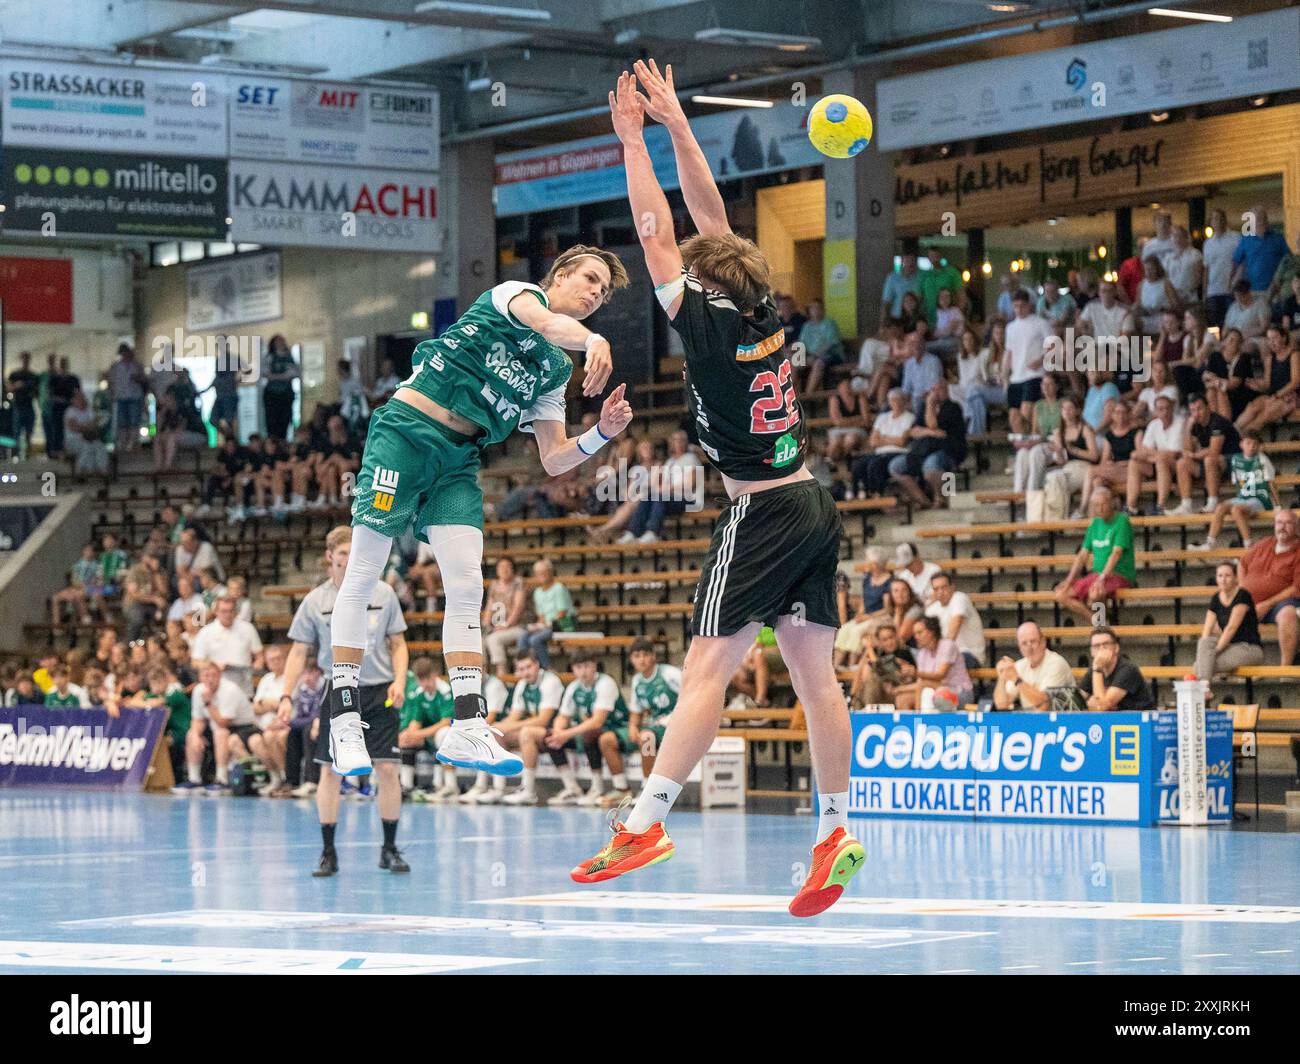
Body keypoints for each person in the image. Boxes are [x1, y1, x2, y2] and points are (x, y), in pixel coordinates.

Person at [580, 61, 865, 916]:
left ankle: (646, 822)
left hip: (765, 509)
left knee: (708, 665)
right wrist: (676, 123)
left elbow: (657, 227)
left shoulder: (703, 324)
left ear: (700, 282)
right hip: (813, 502)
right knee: (817, 680)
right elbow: (711, 220)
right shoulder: (760, 307)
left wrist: (634, 139)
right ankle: (836, 832)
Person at [320, 239, 631, 785]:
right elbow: (549, 323)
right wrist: (595, 339)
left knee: (467, 584)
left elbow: (555, 460)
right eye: (588, 280)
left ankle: (467, 723)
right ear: (559, 275)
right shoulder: (517, 295)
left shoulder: (554, 371)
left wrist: (600, 434)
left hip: (458, 460)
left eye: (602, 293)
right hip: (405, 434)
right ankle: (344, 717)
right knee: (364, 571)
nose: (594, 294)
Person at [275, 525, 411, 876]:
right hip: (339, 689)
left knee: (387, 769)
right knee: (330, 772)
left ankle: (390, 848)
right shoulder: (316, 601)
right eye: (343, 555)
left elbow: (398, 643)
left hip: (380, 690)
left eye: (355, 553)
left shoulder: (383, 593)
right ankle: (328, 852)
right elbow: (298, 652)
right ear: (330, 558)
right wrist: (285, 696)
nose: (350, 560)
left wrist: (400, 680)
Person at [547, 651, 636, 808]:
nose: (583, 671)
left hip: (618, 727)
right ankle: (572, 788)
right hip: (592, 730)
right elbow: (563, 717)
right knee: (549, 737)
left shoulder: (605, 683)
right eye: (578, 667)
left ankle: (598, 788)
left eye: (587, 666)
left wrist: (565, 734)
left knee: (591, 734)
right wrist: (558, 732)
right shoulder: (574, 687)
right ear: (573, 669)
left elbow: (597, 721)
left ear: (595, 666)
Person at [174, 661, 260, 795]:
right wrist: (196, 735)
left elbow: (223, 722)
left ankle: (222, 779)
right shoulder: (198, 690)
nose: (209, 679)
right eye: (205, 675)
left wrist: (208, 702)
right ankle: (194, 779)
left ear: (220, 675)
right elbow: (198, 719)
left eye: (213, 675)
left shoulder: (229, 690)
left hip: (243, 727)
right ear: (200, 677)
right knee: (192, 734)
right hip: (215, 724)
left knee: (221, 733)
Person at [494, 649, 567, 806]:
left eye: (528, 667)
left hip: (558, 730)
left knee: (526, 733)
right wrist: (499, 727)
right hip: (538, 731)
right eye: (521, 669)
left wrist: (509, 726)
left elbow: (543, 720)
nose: (525, 672)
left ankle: (528, 791)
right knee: (496, 732)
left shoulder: (550, 681)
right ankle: (498, 789)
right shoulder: (522, 685)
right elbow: (514, 715)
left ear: (537, 665)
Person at [1055, 485, 1136, 623]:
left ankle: (1101, 626)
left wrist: (1102, 578)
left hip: (1119, 575)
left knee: (1094, 596)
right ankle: (1098, 621)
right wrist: (1069, 580)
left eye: (1104, 504)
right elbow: (1082, 556)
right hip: (1097, 575)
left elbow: (1116, 553)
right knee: (1061, 595)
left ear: (1111, 503)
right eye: (1097, 505)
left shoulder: (1122, 521)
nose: (1100, 508)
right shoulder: (1094, 524)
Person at [889, 378, 966, 512]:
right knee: (895, 466)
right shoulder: (923, 407)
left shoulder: (953, 407)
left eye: (940, 389)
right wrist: (931, 432)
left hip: (948, 450)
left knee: (930, 465)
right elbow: (913, 431)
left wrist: (930, 404)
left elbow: (932, 424)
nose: (936, 393)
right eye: (933, 390)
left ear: (947, 391)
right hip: (923, 450)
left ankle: (941, 498)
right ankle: (922, 500)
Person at [1237, 509, 1300, 666]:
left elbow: (1296, 588)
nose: (1282, 527)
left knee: (1288, 614)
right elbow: (1242, 563)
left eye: (1288, 523)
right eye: (1279, 523)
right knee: (1219, 618)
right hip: (1250, 601)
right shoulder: (1265, 543)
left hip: (1281, 603)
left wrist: (1267, 604)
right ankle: (1235, 667)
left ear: (1297, 527)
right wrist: (1242, 589)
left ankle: (1285, 669)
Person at [1195, 431, 1277, 550]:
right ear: (1241, 444)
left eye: (1255, 444)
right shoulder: (1236, 459)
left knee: (1236, 509)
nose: (1252, 446)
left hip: (1259, 499)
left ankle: (1248, 543)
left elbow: (1271, 483)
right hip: (1243, 498)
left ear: (1259, 446)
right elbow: (1237, 482)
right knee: (1220, 507)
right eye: (1248, 443)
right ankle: (1210, 543)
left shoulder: (1262, 460)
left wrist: (1277, 504)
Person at [397, 657, 458, 801]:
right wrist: (409, 734)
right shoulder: (419, 693)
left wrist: (418, 734)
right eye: (421, 680)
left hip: (444, 735)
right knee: (406, 739)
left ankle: (449, 786)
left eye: (428, 679)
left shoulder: (446, 691)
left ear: (435, 674)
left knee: (443, 735)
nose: (425, 684)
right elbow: (416, 720)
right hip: (427, 736)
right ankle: (407, 786)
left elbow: (446, 722)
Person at [626, 639, 682, 791]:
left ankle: (647, 788)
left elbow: (691, 696)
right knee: (613, 739)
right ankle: (622, 788)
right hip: (656, 725)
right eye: (637, 656)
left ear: (653, 656)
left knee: (646, 738)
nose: (641, 659)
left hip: (678, 723)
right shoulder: (637, 680)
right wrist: (632, 726)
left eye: (645, 655)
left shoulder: (669, 673)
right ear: (631, 659)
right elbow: (636, 711)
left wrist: (670, 718)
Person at [1172, 392, 1241, 516]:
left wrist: (1194, 455)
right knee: (1182, 463)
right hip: (1214, 466)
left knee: (1210, 459)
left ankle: (1212, 502)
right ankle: (1186, 505)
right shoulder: (1195, 424)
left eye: (1199, 408)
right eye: (1193, 410)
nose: (1197, 413)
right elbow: (1188, 449)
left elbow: (1214, 450)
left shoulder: (1218, 422)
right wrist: (1187, 428)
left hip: (1235, 462)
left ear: (1208, 407)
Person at [1195, 561, 1264, 683]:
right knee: (1204, 643)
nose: (1223, 580)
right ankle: (1205, 690)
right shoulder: (1216, 598)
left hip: (1248, 648)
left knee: (1199, 667)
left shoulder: (1243, 596)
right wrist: (1207, 651)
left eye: (1227, 576)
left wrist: (1214, 653)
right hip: (1229, 647)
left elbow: (1231, 628)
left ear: (1236, 578)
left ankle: (1205, 689)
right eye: (1220, 576)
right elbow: (1207, 629)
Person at [992, 621, 1075, 711]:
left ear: (1043, 642)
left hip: (1060, 721)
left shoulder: (1056, 663)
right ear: (1019, 647)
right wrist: (1002, 677)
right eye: (1024, 643)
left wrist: (1017, 679)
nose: (1029, 648)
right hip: (1031, 720)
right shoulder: (1020, 665)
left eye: (1033, 641)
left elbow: (1042, 702)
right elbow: (1002, 705)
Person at [190, 596, 263, 698]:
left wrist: (256, 666)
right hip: (217, 688)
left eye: (231, 611)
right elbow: (195, 662)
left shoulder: (247, 628)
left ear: (236, 612)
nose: (228, 615)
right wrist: (214, 666)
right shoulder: (206, 632)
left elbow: (259, 656)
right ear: (216, 611)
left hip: (243, 686)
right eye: (224, 611)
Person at [849, 387, 913, 499]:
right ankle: (857, 496)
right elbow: (872, 442)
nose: (896, 403)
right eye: (893, 400)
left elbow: (902, 442)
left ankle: (877, 495)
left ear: (904, 401)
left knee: (875, 464)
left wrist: (883, 438)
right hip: (880, 453)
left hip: (898, 452)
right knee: (857, 465)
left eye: (899, 400)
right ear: (889, 402)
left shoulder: (910, 417)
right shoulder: (882, 418)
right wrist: (892, 439)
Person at [1125, 395, 1184, 515]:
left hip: (1178, 466)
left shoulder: (1180, 422)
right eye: (1161, 409)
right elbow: (1143, 450)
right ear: (1155, 411)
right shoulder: (1154, 424)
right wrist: (1154, 455)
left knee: (1161, 460)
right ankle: (1131, 507)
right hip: (1158, 464)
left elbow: (1173, 454)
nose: (1165, 412)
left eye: (1167, 408)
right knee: (1134, 462)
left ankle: (1160, 506)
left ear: (1172, 408)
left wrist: (1152, 455)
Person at [1042, 396, 1098, 521]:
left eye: (1070, 408)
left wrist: (1073, 450)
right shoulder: (1058, 432)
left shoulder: (1085, 429)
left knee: (1055, 482)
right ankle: (1057, 520)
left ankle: (1056, 520)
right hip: (1068, 467)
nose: (1066, 412)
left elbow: (1094, 456)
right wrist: (1058, 451)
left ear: (1077, 411)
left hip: (1084, 467)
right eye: (1064, 409)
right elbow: (1062, 461)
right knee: (1052, 479)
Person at [1235, 325, 1299, 435]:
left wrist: (1276, 396)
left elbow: (1295, 382)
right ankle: (1233, 431)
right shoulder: (1269, 359)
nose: (1272, 342)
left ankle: (1243, 438)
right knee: (1252, 407)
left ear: (1284, 338)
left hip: (1291, 396)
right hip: (1274, 395)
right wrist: (1258, 385)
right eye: (1269, 339)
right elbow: (1268, 384)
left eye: (1275, 338)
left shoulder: (1294, 355)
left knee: (1266, 412)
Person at [1003, 289, 1051, 434]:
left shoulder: (1040, 323)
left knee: (1027, 412)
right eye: (1016, 306)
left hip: (1033, 375)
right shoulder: (1010, 327)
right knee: (1013, 417)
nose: (1019, 309)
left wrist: (1041, 360)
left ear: (1029, 305)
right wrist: (1005, 375)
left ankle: (1030, 445)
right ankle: (1021, 450)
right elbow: (1009, 352)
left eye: (1022, 305)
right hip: (1016, 376)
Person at [1077, 626, 1154, 711]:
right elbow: (1076, 701)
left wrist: (1098, 669)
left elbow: (1102, 707)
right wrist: (1089, 704)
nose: (1101, 649)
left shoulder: (1128, 669)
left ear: (1116, 648)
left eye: (1106, 644)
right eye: (1096, 646)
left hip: (1138, 721)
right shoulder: (1094, 670)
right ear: (1091, 651)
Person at [515, 559, 574, 668]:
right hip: (547, 626)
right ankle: (523, 666)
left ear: (551, 572)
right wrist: (538, 625)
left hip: (563, 624)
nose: (542, 575)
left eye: (544, 572)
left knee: (535, 639)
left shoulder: (559, 588)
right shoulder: (537, 592)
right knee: (523, 637)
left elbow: (562, 612)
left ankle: (547, 668)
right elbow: (541, 616)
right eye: (538, 573)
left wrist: (546, 625)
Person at [907, 615, 974, 710]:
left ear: (932, 632)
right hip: (936, 689)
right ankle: (913, 721)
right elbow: (920, 682)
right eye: (915, 634)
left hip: (959, 692)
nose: (916, 637)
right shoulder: (922, 653)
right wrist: (898, 690)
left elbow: (940, 675)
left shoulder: (948, 645)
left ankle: (918, 718)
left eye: (920, 633)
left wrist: (915, 673)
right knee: (903, 698)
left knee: (926, 688)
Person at [924, 571, 985, 674]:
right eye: (936, 589)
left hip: (969, 654)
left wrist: (940, 654)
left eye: (944, 587)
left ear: (952, 587)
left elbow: (955, 626)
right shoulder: (931, 610)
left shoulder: (959, 598)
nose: (940, 592)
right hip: (944, 656)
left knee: (943, 666)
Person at [950, 327, 1005, 436]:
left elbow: (985, 375)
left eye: (970, 339)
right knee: (952, 389)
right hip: (967, 388)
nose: (968, 342)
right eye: (965, 340)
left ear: (975, 340)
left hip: (980, 386)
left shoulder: (984, 353)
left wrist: (984, 380)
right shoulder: (960, 356)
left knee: (975, 396)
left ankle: (973, 431)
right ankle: (970, 415)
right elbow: (963, 378)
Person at [849, 623, 917, 710]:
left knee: (873, 676)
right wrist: (868, 649)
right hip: (883, 691)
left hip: (898, 690)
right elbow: (863, 666)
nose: (889, 642)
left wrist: (869, 648)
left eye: (891, 637)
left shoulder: (903, 653)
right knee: (866, 667)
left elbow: (881, 669)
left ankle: (865, 709)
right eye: (885, 640)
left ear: (896, 636)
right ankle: (853, 701)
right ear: (880, 642)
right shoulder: (881, 653)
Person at [1230, 205, 1291, 298]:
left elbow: (1288, 261)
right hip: (1252, 291)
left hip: (1275, 290)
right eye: (1258, 219)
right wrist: (1232, 284)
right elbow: (1235, 262)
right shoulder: (1246, 240)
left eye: (1264, 218)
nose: (1262, 222)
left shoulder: (1278, 238)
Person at [482, 556, 528, 676]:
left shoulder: (518, 583)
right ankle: (483, 676)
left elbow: (518, 607)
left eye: (508, 566)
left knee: (493, 639)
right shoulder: (494, 585)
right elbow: (489, 607)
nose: (504, 569)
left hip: (517, 626)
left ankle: (502, 676)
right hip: (497, 627)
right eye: (501, 566)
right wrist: (485, 626)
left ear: (513, 569)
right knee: (480, 640)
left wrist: (506, 625)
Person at [1202, 208, 1240, 327]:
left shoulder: (1235, 238)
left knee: (1232, 322)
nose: (1216, 221)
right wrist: (1205, 291)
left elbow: (1239, 262)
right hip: (1213, 290)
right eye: (1213, 219)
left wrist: (1234, 282)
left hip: (1231, 289)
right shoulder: (1208, 243)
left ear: (1224, 220)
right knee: (1214, 324)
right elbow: (1206, 268)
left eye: (1219, 218)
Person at [108, 343, 148, 453]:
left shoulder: (137, 366)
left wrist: (138, 378)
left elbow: (144, 380)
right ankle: (123, 444)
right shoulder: (116, 367)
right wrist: (112, 394)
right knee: (122, 423)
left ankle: (133, 443)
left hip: (134, 397)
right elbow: (111, 382)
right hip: (121, 397)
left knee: (134, 422)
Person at [797, 299, 842, 394]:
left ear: (823, 310)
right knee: (794, 362)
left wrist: (814, 356)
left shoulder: (829, 323)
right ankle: (791, 397)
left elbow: (830, 344)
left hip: (831, 355)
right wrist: (801, 357)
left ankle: (807, 396)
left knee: (818, 363)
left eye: (818, 308)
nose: (815, 310)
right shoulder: (807, 326)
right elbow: (801, 344)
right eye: (813, 308)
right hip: (811, 356)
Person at [63, 389, 109, 475]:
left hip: (89, 438)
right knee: (86, 447)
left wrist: (86, 427)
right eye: (79, 398)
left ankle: (102, 469)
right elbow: (74, 427)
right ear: (73, 400)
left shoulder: (89, 411)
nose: (83, 399)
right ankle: (82, 469)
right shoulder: (70, 411)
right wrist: (87, 427)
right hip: (73, 440)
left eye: (83, 397)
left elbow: (94, 426)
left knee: (100, 446)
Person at [262, 334, 299, 441]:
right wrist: (282, 376)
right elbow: (264, 373)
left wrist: (276, 377)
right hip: (272, 394)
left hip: (285, 393)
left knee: (285, 420)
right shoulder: (269, 357)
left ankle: (283, 441)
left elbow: (294, 373)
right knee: (272, 421)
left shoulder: (289, 357)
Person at [1133, 256, 1180, 335]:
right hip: (1146, 317)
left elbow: (1176, 306)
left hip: (1162, 318)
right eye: (1146, 269)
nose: (1148, 272)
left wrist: (1161, 309)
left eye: (1151, 269)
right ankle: (1139, 346)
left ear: (1157, 269)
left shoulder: (1165, 284)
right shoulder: (1141, 285)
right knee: (1132, 323)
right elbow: (1137, 304)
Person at [6, 351, 39, 459]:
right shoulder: (15, 374)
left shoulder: (33, 376)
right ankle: (15, 457)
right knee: (16, 433)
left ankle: (28, 457)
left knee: (29, 434)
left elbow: (36, 393)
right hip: (18, 406)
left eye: (27, 359)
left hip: (29, 406)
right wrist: (17, 386)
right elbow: (8, 388)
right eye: (24, 358)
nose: (26, 361)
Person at [1164, 225, 1204, 305]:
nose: (1177, 239)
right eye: (1175, 236)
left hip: (1190, 296)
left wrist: (1188, 292)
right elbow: (1166, 278)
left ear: (1186, 237)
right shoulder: (1168, 257)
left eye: (1180, 236)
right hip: (1172, 298)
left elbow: (1199, 277)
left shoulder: (1195, 254)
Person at [1224, 278, 1271, 342]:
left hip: (1252, 338)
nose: (1238, 298)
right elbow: (1226, 326)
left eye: (1241, 295)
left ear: (1248, 293)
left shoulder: (1260, 303)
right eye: (1236, 295)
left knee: (1246, 347)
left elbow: (1264, 327)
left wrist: (1242, 335)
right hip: (1232, 338)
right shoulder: (1233, 306)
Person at [881, 252, 921, 322]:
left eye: (913, 260)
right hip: (897, 318)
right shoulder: (892, 278)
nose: (910, 263)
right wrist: (883, 322)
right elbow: (886, 302)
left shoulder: (920, 278)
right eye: (907, 260)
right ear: (902, 261)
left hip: (914, 320)